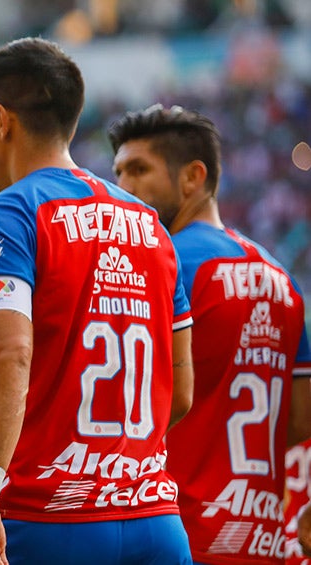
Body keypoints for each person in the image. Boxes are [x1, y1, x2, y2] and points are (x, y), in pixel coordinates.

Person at [0, 37, 195, 565]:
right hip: (154, 521)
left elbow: (8, 353)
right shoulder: (153, 228)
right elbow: (179, 393)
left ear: (1, 120)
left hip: (47, 520)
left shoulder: (5, 216)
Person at [109, 103, 311, 565]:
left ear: (193, 177)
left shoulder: (164, 262)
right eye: (118, 172)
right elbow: (302, 420)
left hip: (179, 535)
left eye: (139, 170)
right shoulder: (284, 281)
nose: (123, 187)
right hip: (261, 539)